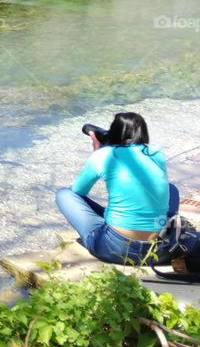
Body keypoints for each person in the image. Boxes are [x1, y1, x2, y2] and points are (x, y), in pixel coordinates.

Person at [56, 112, 179, 265]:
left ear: (114, 132)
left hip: (116, 249)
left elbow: (79, 190)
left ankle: (115, 226)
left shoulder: (103, 155)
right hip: (158, 250)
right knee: (171, 188)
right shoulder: (157, 153)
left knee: (64, 194)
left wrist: (97, 153)